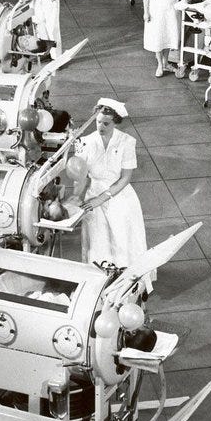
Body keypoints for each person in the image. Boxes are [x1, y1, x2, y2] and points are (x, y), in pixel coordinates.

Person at [74, 99, 151, 292]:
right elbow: (79, 176)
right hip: (93, 197)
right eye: (98, 122)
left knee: (122, 240)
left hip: (120, 195)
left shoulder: (127, 142)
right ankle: (100, 285)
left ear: (115, 122)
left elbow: (125, 179)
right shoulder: (85, 142)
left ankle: (127, 284)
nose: (100, 126)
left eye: (106, 123)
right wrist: (76, 197)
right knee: (98, 240)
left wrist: (102, 198)